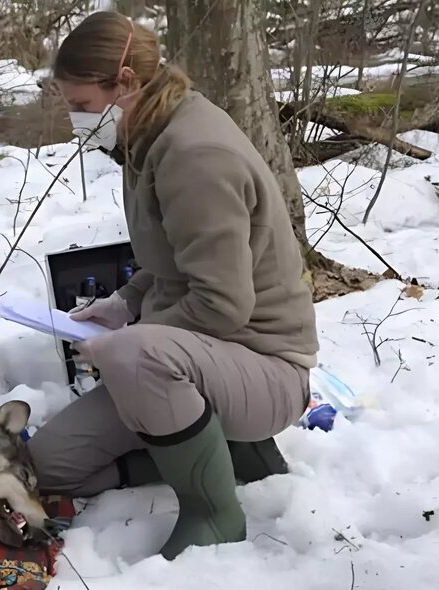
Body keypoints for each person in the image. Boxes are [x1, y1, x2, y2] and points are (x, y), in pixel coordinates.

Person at [26, 11, 319, 560]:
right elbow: (172, 267)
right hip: (197, 358)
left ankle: (213, 512)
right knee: (50, 465)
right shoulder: (145, 134)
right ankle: (234, 456)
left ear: (126, 84)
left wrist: (126, 345)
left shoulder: (193, 154)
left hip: (264, 364)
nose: (75, 119)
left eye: (82, 105)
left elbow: (222, 304)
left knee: (137, 357)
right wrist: (122, 305)